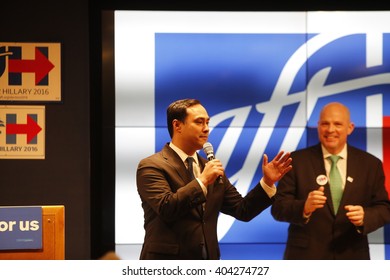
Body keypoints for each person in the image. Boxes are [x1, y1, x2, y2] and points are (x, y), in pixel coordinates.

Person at [136, 98, 292, 260]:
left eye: (207, 123)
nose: (206, 129)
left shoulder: (210, 167)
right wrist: (202, 181)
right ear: (177, 125)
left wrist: (267, 183)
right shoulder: (152, 165)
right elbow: (166, 208)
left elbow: (242, 210)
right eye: (199, 122)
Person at [271, 102, 390, 260]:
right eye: (325, 123)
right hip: (305, 258)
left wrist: (365, 217)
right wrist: (304, 207)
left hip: (352, 256)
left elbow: (384, 208)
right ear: (318, 126)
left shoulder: (370, 164)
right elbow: (278, 208)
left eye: (338, 124)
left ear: (350, 128)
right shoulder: (296, 161)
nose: (330, 129)